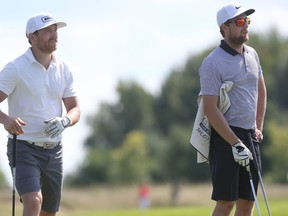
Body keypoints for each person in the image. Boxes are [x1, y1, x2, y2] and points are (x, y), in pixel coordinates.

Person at [0, 12, 80, 216]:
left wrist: (66, 120)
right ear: (31, 37)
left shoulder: (64, 68)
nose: (54, 35)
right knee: (34, 200)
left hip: (54, 150)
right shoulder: (15, 68)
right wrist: (6, 119)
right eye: (47, 31)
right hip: (24, 147)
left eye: (55, 30)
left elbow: (75, 108)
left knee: (48, 211)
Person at [199, 3, 267, 216]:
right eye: (239, 22)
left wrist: (258, 126)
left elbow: (261, 91)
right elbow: (210, 108)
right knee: (226, 202)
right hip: (225, 138)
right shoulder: (212, 63)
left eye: (247, 21)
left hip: (250, 135)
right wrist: (235, 143)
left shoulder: (253, 54)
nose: (245, 26)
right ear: (224, 27)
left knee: (248, 202)